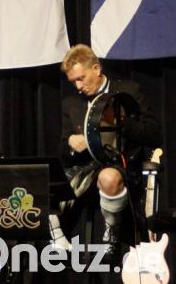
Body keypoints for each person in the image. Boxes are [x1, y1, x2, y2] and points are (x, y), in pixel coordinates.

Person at [56, 44, 161, 260]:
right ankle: (56, 240)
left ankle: (111, 233)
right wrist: (71, 144)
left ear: (96, 68)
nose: (78, 86)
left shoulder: (128, 91)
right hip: (84, 170)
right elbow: (61, 150)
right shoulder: (71, 104)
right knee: (40, 179)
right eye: (73, 81)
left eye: (81, 78)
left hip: (123, 166)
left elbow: (153, 134)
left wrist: (121, 123)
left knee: (108, 176)